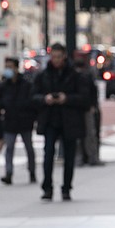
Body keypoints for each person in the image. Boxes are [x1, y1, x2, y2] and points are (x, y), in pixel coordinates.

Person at [31, 43, 89, 201]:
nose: (55, 60)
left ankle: (66, 188)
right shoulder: (43, 75)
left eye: (58, 57)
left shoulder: (75, 76)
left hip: (69, 121)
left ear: (64, 56)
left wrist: (66, 98)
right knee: (48, 154)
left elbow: (85, 98)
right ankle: (47, 187)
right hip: (50, 120)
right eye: (53, 57)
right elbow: (33, 96)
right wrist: (45, 98)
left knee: (69, 157)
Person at [0, 56, 37, 185]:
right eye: (6, 67)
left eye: (10, 67)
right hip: (10, 120)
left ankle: (32, 172)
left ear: (16, 68)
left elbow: (31, 101)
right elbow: (0, 102)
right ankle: (8, 173)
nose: (8, 70)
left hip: (24, 120)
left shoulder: (26, 84)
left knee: (29, 148)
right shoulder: (4, 85)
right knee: (9, 148)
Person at [74, 58, 103, 166]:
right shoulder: (86, 76)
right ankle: (91, 157)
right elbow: (94, 91)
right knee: (90, 134)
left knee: (84, 134)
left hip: (81, 108)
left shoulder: (78, 76)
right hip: (84, 107)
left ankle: (83, 158)